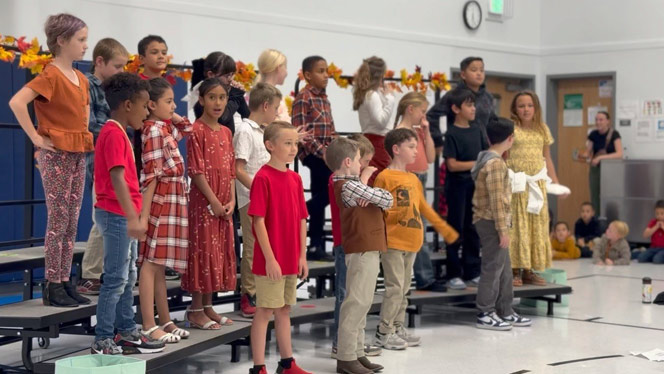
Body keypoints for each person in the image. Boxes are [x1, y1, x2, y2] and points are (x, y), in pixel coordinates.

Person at [9, 13, 92, 307]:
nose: (85, 45)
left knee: (71, 219)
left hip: (77, 152)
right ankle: (52, 282)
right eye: (80, 40)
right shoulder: (51, 75)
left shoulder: (80, 77)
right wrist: (35, 137)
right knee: (58, 219)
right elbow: (17, 102)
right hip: (56, 152)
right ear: (61, 41)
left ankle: (65, 279)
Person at [90, 72, 164, 355]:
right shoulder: (112, 133)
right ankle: (103, 338)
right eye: (145, 105)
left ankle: (125, 330)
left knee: (127, 275)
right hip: (116, 215)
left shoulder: (119, 132)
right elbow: (117, 177)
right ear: (129, 105)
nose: (147, 111)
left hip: (123, 214)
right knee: (115, 278)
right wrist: (133, 218)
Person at [373, 128, 459, 350]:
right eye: (411, 147)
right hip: (392, 242)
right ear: (396, 149)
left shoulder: (413, 179)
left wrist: (445, 229)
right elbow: (376, 212)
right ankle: (383, 332)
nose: (415, 151)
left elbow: (423, 208)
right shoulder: (384, 177)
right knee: (394, 288)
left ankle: (397, 327)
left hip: (412, 241)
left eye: (416, 147)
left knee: (403, 289)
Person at [248, 122, 312, 374]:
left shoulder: (295, 179)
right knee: (265, 311)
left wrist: (302, 255)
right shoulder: (262, 178)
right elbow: (258, 221)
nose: (293, 148)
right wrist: (270, 259)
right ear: (270, 146)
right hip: (270, 260)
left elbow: (301, 219)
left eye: (295, 143)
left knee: (284, 309)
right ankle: (258, 367)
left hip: (290, 257)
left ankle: (287, 363)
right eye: (288, 143)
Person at [326, 137, 393, 374]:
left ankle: (357, 352)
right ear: (347, 162)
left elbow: (384, 200)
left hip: (369, 247)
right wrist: (371, 191)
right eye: (358, 160)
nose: (362, 164)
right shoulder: (347, 184)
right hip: (361, 249)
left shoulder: (354, 183)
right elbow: (387, 198)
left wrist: (371, 192)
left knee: (363, 302)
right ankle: (346, 357)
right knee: (356, 302)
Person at [138, 78, 192, 343]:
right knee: (150, 263)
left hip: (173, 198)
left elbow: (188, 128)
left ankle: (165, 319)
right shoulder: (153, 130)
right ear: (151, 104)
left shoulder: (164, 128)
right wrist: (146, 214)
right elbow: (151, 175)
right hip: (161, 199)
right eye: (168, 102)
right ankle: (149, 323)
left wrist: (173, 114)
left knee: (159, 265)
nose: (173, 106)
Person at [182, 77, 237, 328]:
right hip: (204, 202)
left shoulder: (226, 132)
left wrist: (232, 200)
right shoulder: (196, 131)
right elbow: (196, 171)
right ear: (202, 100)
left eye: (222, 97)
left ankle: (207, 306)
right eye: (212, 97)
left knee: (216, 252)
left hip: (224, 202)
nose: (217, 102)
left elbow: (232, 170)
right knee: (202, 251)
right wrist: (214, 201)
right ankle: (194, 309)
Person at [78, 37, 130, 296]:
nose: (122, 72)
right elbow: (88, 125)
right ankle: (89, 274)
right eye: (118, 66)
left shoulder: (108, 89)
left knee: (109, 215)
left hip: (109, 158)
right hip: (96, 160)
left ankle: (99, 271)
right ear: (99, 62)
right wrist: (118, 130)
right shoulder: (88, 86)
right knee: (101, 216)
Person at [472, 117, 532, 331]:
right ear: (510, 138)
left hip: (493, 221)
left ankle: (505, 309)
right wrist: (502, 229)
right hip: (491, 222)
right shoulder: (495, 163)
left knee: (505, 268)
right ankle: (485, 312)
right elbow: (497, 200)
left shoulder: (486, 157)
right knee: (493, 267)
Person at [234, 82, 282, 318]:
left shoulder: (263, 132)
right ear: (265, 105)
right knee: (253, 247)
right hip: (251, 198)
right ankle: (248, 293)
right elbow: (239, 169)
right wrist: (260, 190)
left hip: (267, 198)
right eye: (275, 108)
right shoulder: (245, 130)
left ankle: (263, 292)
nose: (276, 113)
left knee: (268, 246)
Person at [507, 91, 565, 287]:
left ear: (535, 108)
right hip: (517, 185)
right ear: (515, 108)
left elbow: (547, 158)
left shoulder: (542, 129)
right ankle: (514, 269)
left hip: (536, 185)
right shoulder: (511, 129)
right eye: (521, 105)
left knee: (535, 227)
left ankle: (529, 270)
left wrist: (555, 183)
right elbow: (504, 156)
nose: (526, 109)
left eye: (529, 105)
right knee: (518, 227)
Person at [394, 92, 443, 292]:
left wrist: (427, 133)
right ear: (410, 109)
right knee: (417, 229)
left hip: (421, 177)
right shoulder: (399, 132)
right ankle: (424, 277)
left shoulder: (418, 131)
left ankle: (424, 276)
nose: (424, 117)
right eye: (422, 112)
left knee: (420, 229)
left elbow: (431, 157)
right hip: (409, 179)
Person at [292, 55, 337, 261]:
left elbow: (331, 128)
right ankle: (302, 210)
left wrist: (335, 151)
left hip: (327, 153)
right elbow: (302, 131)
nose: (326, 75)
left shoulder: (324, 97)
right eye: (321, 71)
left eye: (326, 71)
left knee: (322, 192)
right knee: (331, 191)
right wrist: (324, 153)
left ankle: (315, 245)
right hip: (313, 153)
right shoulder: (304, 97)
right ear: (308, 75)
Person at [443, 88, 487, 290]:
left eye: (473, 104)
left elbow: (483, 156)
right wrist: (476, 163)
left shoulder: (477, 129)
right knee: (455, 227)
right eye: (468, 105)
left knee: (473, 227)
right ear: (456, 108)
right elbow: (452, 165)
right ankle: (453, 272)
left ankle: (472, 270)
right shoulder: (451, 133)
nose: (473, 108)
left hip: (474, 185)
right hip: (457, 187)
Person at [427, 56, 496, 152]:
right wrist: (438, 141)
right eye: (474, 70)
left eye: (482, 70)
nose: (479, 73)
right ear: (463, 74)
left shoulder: (488, 97)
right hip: (459, 147)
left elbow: (493, 121)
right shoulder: (454, 95)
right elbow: (431, 116)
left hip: (484, 148)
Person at [353, 56, 396, 184]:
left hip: (373, 139)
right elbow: (381, 121)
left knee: (376, 178)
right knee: (377, 179)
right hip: (377, 141)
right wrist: (390, 99)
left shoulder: (370, 93)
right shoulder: (371, 95)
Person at [189, 51, 250, 134]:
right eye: (226, 75)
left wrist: (239, 94)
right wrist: (235, 95)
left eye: (232, 74)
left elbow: (247, 116)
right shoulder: (201, 93)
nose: (230, 79)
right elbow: (222, 118)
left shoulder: (230, 92)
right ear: (211, 74)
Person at [587, 111, 623, 215]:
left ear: (608, 121)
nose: (598, 122)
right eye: (596, 120)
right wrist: (583, 156)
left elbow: (619, 154)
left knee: (610, 195)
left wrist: (601, 158)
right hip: (596, 170)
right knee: (595, 196)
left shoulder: (614, 134)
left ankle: (612, 218)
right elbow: (588, 152)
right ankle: (597, 219)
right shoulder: (593, 134)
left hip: (611, 170)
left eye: (601, 119)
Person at [257, 49, 291, 122]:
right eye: (285, 68)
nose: (286, 73)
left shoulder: (257, 92)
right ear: (279, 68)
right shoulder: (269, 95)